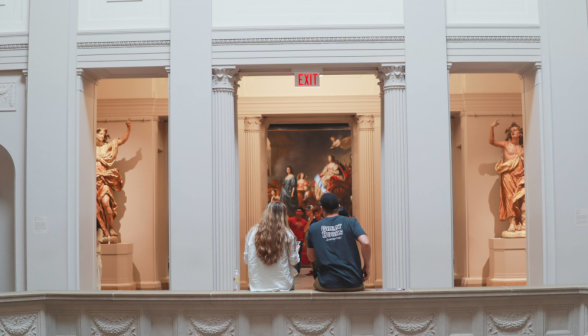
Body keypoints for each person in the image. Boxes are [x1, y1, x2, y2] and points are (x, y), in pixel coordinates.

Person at [307, 193, 371, 291]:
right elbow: (366, 242)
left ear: (322, 208)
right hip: (354, 282)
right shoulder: (351, 222)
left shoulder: (313, 228)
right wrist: (366, 266)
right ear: (339, 207)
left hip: (327, 283)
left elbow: (312, 258)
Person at [244, 202, 300, 292]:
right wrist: (296, 250)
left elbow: (247, 260)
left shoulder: (252, 232)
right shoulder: (288, 234)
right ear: (283, 216)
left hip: (257, 285)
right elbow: (294, 261)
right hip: (283, 286)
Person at [96, 119, 131, 238]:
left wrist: (128, 128)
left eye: (103, 134)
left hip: (104, 180)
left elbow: (121, 141)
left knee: (106, 203)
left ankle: (111, 229)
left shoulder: (107, 146)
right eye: (99, 133)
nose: (102, 135)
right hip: (92, 181)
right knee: (96, 210)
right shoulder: (89, 148)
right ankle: (104, 231)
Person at [489, 120, 526, 234]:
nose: (512, 133)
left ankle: (523, 223)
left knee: (523, 199)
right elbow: (492, 141)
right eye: (511, 131)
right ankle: (512, 224)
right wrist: (492, 127)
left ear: (520, 133)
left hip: (520, 176)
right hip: (508, 176)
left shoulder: (523, 149)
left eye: (514, 130)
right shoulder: (506, 144)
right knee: (509, 198)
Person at [288, 206, 307, 273]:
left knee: (299, 255)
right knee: (292, 254)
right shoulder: (290, 220)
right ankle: (292, 269)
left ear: (302, 213)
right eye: (297, 211)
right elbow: (287, 228)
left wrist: (304, 242)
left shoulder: (304, 222)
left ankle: (298, 269)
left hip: (300, 240)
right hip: (292, 240)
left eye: (299, 211)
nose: (298, 213)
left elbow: (305, 232)